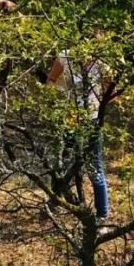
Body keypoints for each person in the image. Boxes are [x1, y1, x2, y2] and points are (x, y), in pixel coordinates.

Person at [47, 49, 110, 225]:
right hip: (71, 119)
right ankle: (56, 202)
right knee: (63, 162)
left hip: (92, 121)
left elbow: (112, 88)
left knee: (95, 169)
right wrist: (62, 91)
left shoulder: (102, 61)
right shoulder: (65, 56)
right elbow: (50, 81)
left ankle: (102, 216)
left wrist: (99, 105)